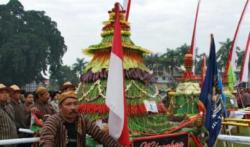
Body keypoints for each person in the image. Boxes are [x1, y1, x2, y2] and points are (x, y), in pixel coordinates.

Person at [39, 91, 122, 147]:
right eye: (68, 104)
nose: (73, 107)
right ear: (60, 107)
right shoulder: (53, 121)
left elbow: (101, 136)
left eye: (75, 104)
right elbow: (46, 141)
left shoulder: (82, 120)